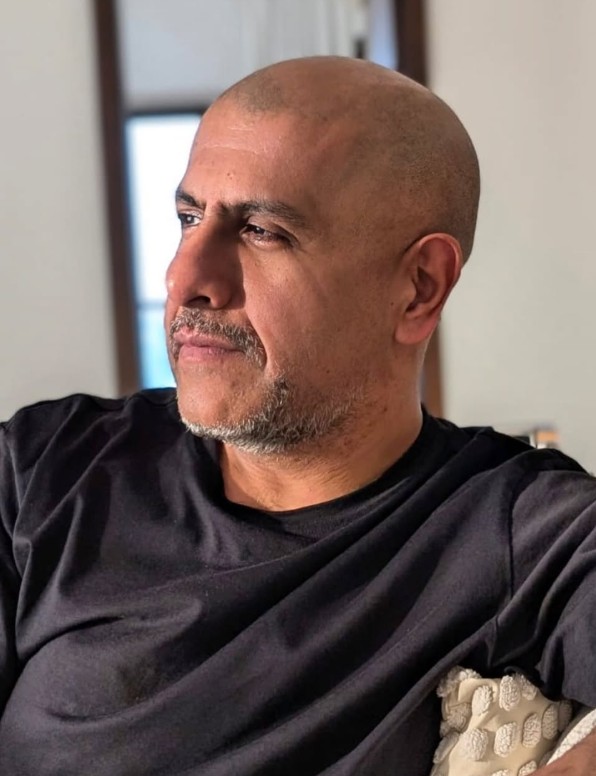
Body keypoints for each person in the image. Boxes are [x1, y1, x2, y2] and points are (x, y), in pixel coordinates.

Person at [0, 56, 594, 776]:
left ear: (418, 287)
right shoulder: (46, 465)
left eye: (261, 231)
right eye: (189, 218)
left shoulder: (518, 527)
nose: (186, 279)